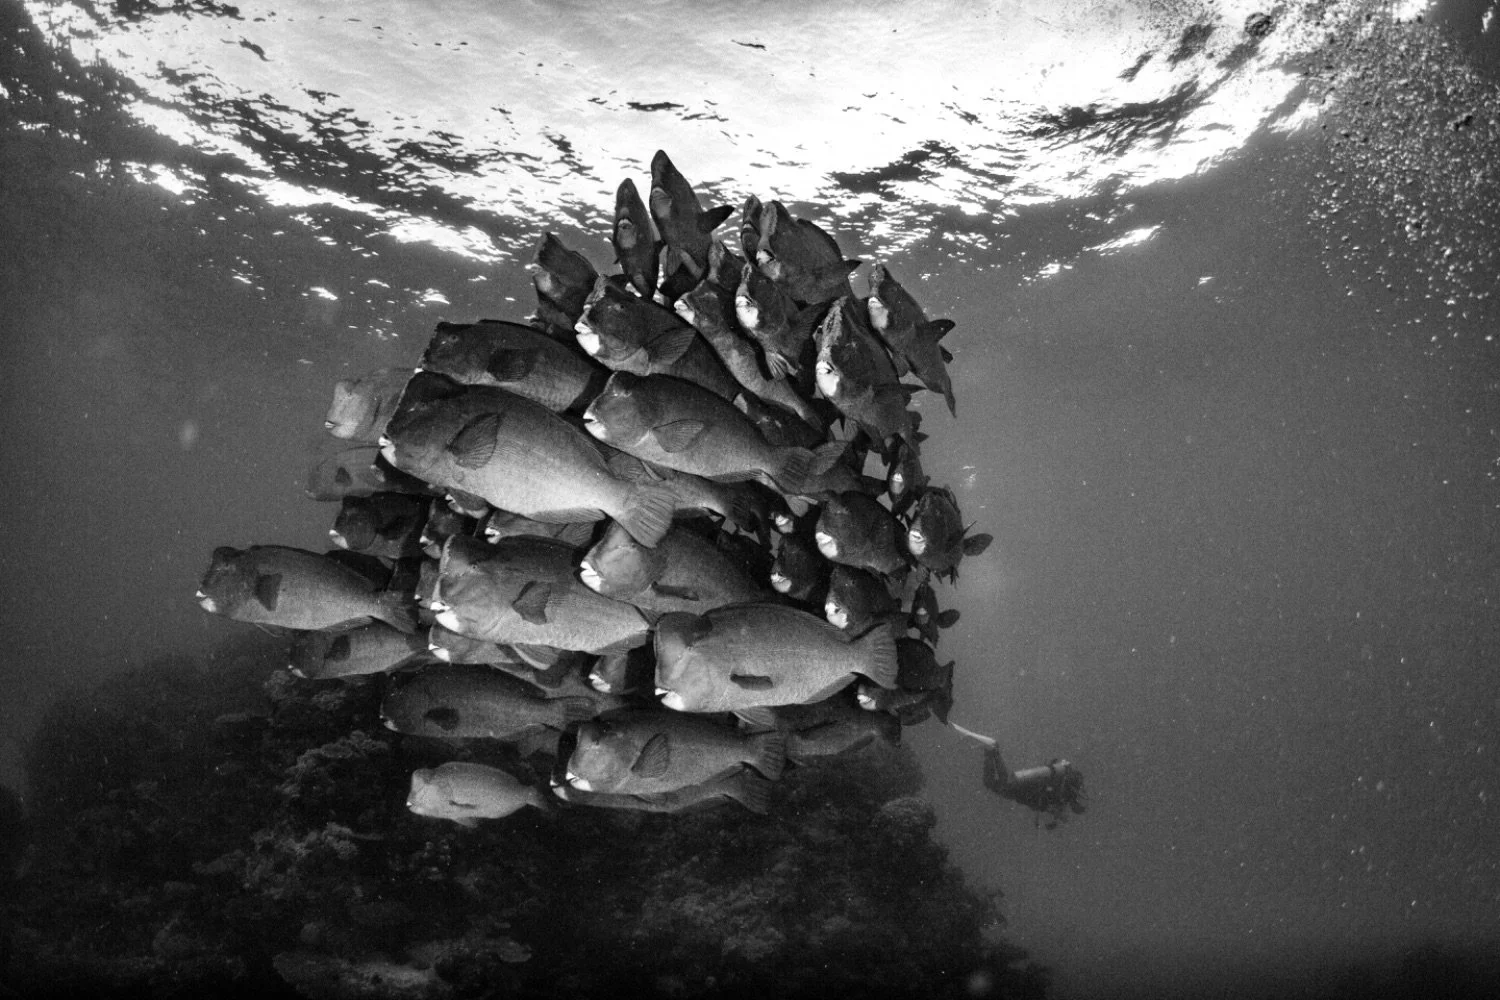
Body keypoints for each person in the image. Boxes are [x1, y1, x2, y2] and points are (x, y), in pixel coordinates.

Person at [952, 722, 1087, 830]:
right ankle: (993, 748)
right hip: (1027, 788)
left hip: (1024, 790)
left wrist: (1052, 815)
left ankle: (991, 751)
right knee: (1001, 783)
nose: (1062, 816)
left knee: (991, 783)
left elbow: (1043, 802)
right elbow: (1043, 796)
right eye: (1063, 815)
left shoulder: (1057, 799)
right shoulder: (1059, 798)